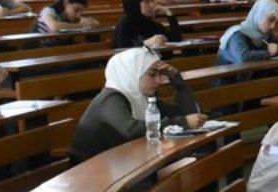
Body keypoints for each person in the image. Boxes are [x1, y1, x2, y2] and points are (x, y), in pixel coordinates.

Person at [70, 48, 204, 161]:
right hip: (92, 172)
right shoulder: (110, 98)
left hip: (120, 163)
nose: (159, 80)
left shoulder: (143, 97)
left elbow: (188, 115)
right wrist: (183, 122)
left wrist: (177, 82)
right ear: (132, 73)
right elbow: (130, 129)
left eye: (160, 74)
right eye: (152, 75)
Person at [218, 0, 278, 65]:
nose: (273, 26)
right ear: (258, 15)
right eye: (270, 20)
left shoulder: (265, 35)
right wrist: (268, 53)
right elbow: (243, 58)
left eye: (276, 23)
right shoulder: (237, 34)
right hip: (231, 82)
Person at [113, 0, 184, 50]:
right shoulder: (125, 25)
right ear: (136, 4)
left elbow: (176, 40)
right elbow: (122, 52)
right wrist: (145, 44)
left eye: (152, 0)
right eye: (147, 1)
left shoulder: (152, 24)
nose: (152, 5)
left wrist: (168, 13)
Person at [34, 0, 99, 45]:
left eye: (81, 12)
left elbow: (94, 23)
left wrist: (93, 23)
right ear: (66, 3)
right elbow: (54, 27)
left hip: (57, 51)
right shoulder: (48, 11)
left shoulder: (73, 17)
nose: (78, 15)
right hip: (39, 51)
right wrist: (82, 25)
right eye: (76, 10)